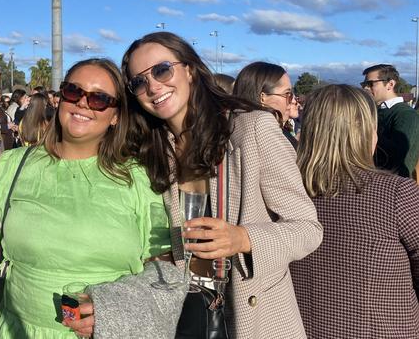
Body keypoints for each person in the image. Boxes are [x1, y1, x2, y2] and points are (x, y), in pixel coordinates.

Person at [121, 32, 321, 338]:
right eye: (139, 82)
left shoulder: (250, 128)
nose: (153, 86)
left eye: (162, 70)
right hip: (182, 314)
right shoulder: (152, 146)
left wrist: (243, 238)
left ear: (189, 69)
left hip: (252, 316)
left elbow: (308, 228)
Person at [0, 58, 171, 338]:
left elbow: (163, 266)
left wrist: (115, 309)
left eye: (99, 99)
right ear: (61, 98)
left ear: (115, 116)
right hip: (18, 330)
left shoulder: (138, 177)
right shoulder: (12, 165)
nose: (83, 104)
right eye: (74, 92)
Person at [291, 84, 419, 338]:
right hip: (382, 329)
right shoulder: (396, 193)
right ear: (366, 133)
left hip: (300, 329)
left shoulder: (287, 190)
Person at [362, 64, 419, 178]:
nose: (365, 88)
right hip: (372, 178)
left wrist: (365, 131)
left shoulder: (406, 114)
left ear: (390, 84)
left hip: (394, 185)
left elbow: (399, 154)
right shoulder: (374, 111)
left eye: (370, 84)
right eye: (364, 84)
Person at [233, 61, 300, 148]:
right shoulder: (264, 135)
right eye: (287, 94)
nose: (292, 101)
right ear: (262, 98)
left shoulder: (235, 128)